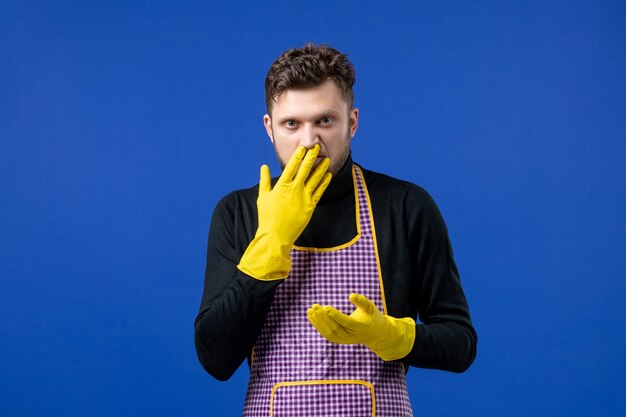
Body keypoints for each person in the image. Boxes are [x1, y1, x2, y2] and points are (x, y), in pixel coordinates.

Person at [194, 43, 476, 416]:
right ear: (270, 128)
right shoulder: (238, 213)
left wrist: (394, 336)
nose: (309, 141)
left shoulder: (405, 205)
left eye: (325, 120)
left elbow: (461, 344)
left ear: (352, 122)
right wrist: (271, 241)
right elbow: (215, 358)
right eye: (291, 124)